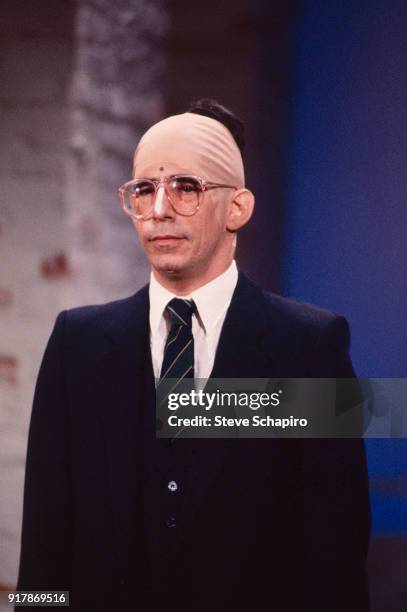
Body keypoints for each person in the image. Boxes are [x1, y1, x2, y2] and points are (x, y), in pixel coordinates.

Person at [16, 99, 370, 611]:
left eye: (187, 188)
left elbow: (334, 553)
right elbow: (45, 540)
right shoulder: (79, 343)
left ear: (239, 208)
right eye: (144, 190)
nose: (160, 210)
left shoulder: (308, 345)